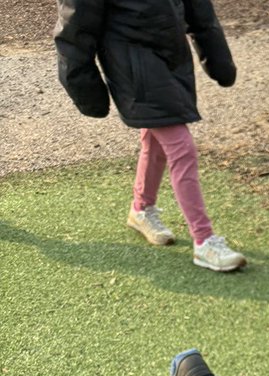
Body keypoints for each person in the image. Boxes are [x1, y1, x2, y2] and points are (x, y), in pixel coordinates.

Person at [54, 0, 246, 272]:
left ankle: (141, 209)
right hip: (132, 67)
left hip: (170, 59)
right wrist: (87, 92)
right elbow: (73, 32)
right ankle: (204, 241)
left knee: (155, 138)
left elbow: (200, 12)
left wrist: (219, 61)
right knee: (181, 146)